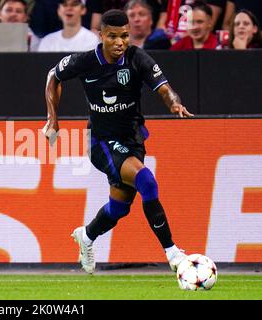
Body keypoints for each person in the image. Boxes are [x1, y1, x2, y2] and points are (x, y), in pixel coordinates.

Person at [42, 9, 193, 274]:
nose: (120, 42)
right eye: (113, 36)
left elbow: (165, 89)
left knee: (120, 207)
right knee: (146, 180)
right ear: (101, 36)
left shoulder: (137, 58)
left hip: (133, 140)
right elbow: (53, 77)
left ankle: (86, 236)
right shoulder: (85, 61)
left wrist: (175, 103)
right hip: (101, 142)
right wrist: (52, 118)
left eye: (125, 36)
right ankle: (173, 254)